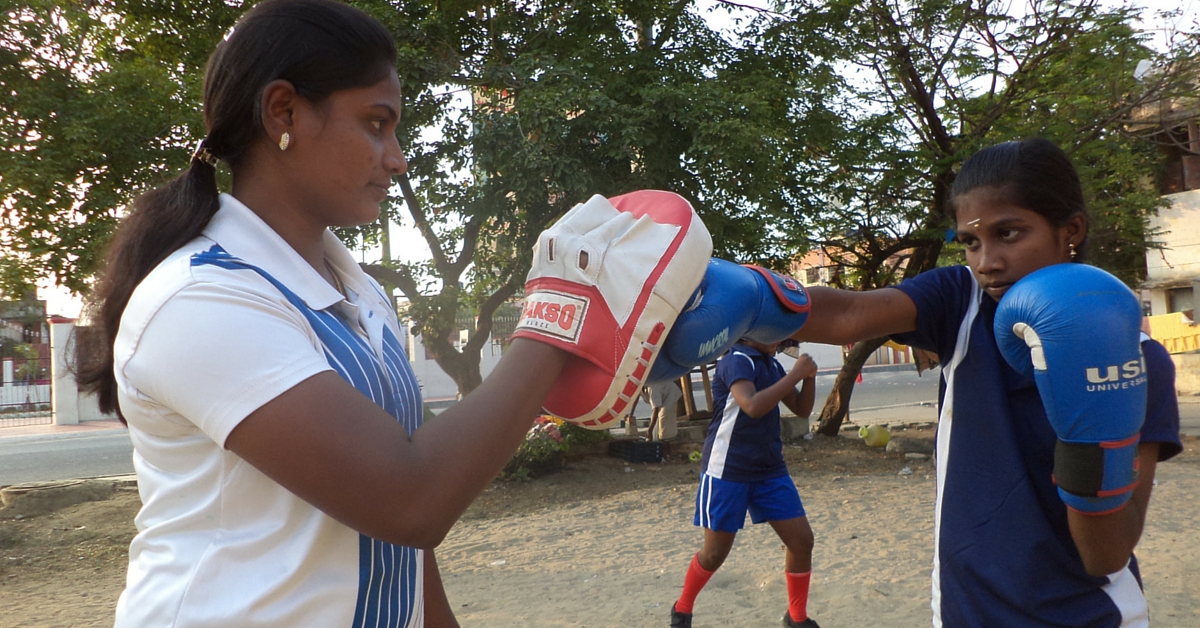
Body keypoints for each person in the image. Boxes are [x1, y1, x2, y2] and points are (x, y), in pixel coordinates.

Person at [72, 2, 704, 626]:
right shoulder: (201, 298)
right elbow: (410, 497)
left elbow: (399, 526)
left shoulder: (361, 293)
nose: (397, 157)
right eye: (377, 123)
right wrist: (562, 311)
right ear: (283, 111)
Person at [660, 138, 1183, 627]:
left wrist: (1091, 419)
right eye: (971, 242)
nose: (987, 262)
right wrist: (742, 295)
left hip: (1090, 616)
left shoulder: (1139, 365)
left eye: (1008, 233)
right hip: (961, 609)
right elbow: (850, 314)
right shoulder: (963, 300)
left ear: (1071, 229)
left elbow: (1105, 554)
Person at [670, 341, 819, 628]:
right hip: (728, 469)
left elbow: (801, 409)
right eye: (775, 332)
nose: (781, 339)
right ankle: (683, 607)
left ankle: (796, 617)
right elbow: (752, 405)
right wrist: (795, 374)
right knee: (714, 554)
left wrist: (808, 378)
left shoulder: (770, 364)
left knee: (802, 542)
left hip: (769, 470)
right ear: (754, 330)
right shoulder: (737, 360)